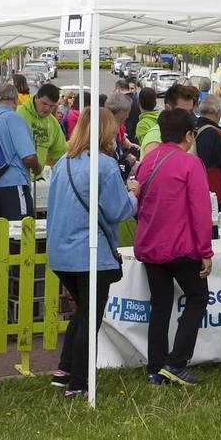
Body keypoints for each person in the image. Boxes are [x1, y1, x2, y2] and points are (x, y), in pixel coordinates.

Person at [45, 107, 138, 398]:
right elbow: (119, 210)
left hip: (61, 251)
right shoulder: (106, 165)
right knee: (90, 317)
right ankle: (80, 383)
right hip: (89, 252)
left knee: (82, 313)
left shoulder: (63, 162)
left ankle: (65, 370)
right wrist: (133, 193)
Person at [134, 109, 214, 386]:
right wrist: (205, 251)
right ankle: (177, 362)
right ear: (188, 135)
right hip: (179, 245)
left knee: (160, 305)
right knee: (197, 297)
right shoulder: (190, 163)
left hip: (150, 243)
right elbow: (201, 211)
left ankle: (156, 366)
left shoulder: (148, 160)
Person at [0, 84, 37, 221]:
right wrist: (37, 167)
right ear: (16, 100)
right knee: (21, 230)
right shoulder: (14, 119)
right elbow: (28, 157)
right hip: (14, 183)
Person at [193, 97, 221, 216]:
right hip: (216, 192)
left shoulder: (190, 130)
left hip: (193, 189)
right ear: (218, 113)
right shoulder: (219, 135)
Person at [20, 83, 68, 172]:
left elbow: (60, 152)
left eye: (51, 106)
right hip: (18, 179)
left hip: (39, 179)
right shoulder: (18, 114)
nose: (46, 108)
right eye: (44, 103)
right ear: (37, 97)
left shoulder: (53, 123)